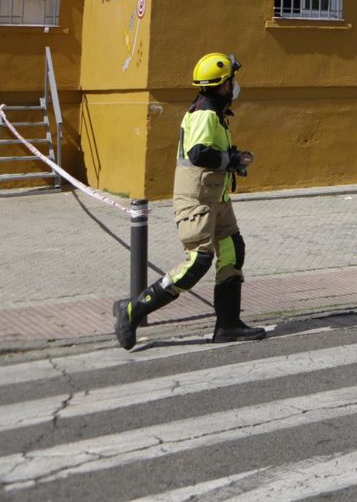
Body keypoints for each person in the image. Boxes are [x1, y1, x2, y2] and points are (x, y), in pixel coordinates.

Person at [113, 52, 265, 350]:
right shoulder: (205, 113)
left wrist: (232, 160)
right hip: (196, 201)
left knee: (232, 251)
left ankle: (229, 325)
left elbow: (210, 153)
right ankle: (132, 310)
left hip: (215, 199)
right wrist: (231, 158)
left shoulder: (213, 112)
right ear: (222, 84)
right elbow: (199, 154)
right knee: (198, 261)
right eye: (231, 79)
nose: (235, 84)